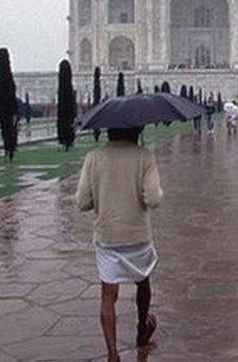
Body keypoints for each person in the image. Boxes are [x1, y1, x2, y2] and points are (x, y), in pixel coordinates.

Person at [75, 127, 163, 361]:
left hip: (108, 237)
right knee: (143, 281)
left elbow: (82, 202)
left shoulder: (94, 158)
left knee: (108, 295)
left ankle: (113, 354)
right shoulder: (144, 156)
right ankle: (142, 328)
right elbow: (153, 199)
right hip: (137, 234)